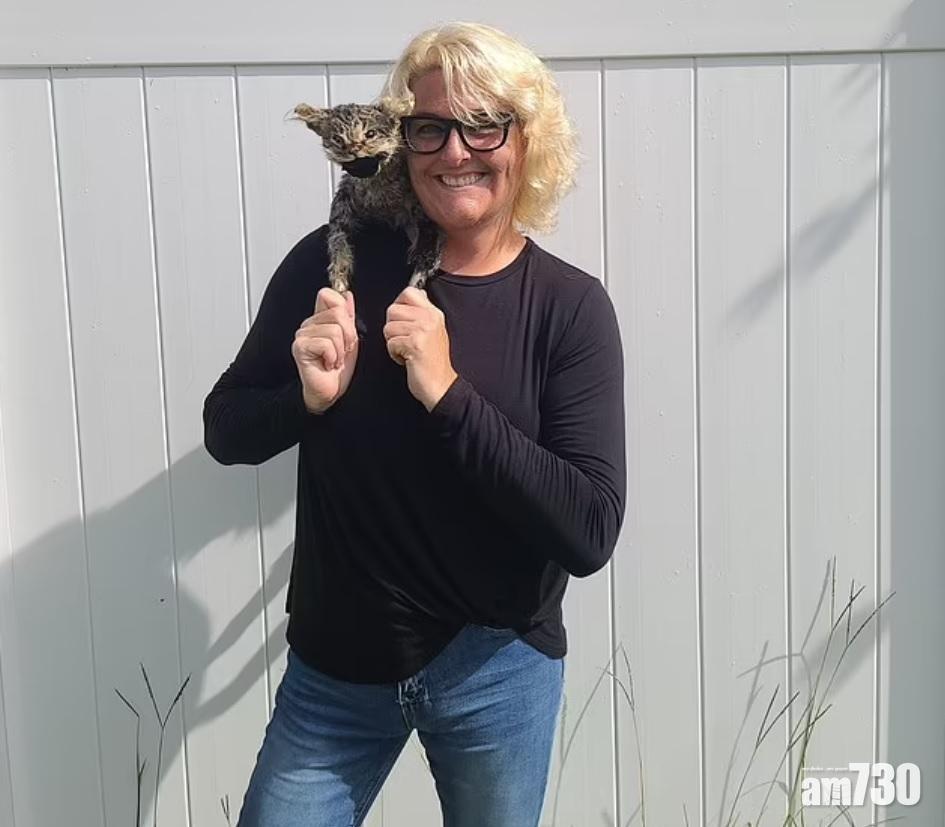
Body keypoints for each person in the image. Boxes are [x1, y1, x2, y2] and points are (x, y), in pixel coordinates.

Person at [203, 20, 626, 827]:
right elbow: (226, 429)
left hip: (497, 671)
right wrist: (304, 399)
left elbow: (588, 530)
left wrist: (448, 393)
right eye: (430, 127)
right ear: (403, 138)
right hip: (334, 670)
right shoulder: (333, 266)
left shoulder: (567, 308)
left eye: (483, 125)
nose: (455, 151)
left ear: (525, 140)